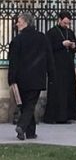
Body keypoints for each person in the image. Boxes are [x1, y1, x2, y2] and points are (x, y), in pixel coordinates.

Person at [8, 12, 55, 140]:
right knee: (29, 105)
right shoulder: (42, 38)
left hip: (21, 78)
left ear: (26, 22)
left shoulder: (17, 40)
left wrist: (11, 79)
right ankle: (25, 128)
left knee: (25, 105)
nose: (17, 24)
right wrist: (51, 75)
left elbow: (13, 61)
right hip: (37, 77)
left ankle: (27, 130)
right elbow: (49, 58)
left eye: (19, 21)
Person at [44, 11, 76, 124]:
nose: (66, 25)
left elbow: (75, 47)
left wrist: (74, 46)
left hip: (68, 66)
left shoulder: (70, 32)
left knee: (68, 90)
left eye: (68, 23)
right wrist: (61, 44)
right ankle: (54, 117)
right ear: (59, 20)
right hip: (56, 67)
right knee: (57, 91)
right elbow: (48, 49)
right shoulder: (51, 33)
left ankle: (67, 115)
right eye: (64, 22)